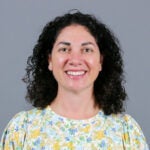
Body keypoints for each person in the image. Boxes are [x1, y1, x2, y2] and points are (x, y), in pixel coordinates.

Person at [0, 11, 149, 150]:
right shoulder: (22, 129)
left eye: (87, 50)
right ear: (50, 60)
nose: (75, 60)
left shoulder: (126, 131)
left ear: (101, 61)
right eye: (64, 49)